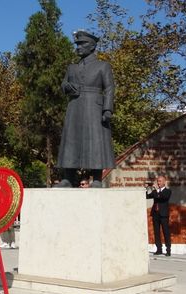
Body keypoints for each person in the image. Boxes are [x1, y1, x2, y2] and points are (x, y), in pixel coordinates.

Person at [56, 30, 115, 188]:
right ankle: (68, 178)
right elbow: (63, 84)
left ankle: (96, 178)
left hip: (94, 107)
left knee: (96, 142)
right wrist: (67, 86)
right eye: (77, 44)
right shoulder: (72, 68)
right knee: (71, 140)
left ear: (92, 46)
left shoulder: (103, 66)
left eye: (82, 44)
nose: (78, 47)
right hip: (75, 106)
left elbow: (109, 88)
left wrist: (107, 109)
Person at [146, 175, 172, 256]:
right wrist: (147, 188)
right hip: (155, 214)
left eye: (160, 181)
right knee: (156, 232)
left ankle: (168, 250)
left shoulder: (167, 191)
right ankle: (159, 249)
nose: (158, 183)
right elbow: (147, 196)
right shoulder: (155, 192)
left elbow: (163, 197)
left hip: (164, 214)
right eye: (157, 181)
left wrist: (156, 190)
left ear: (164, 182)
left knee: (166, 232)